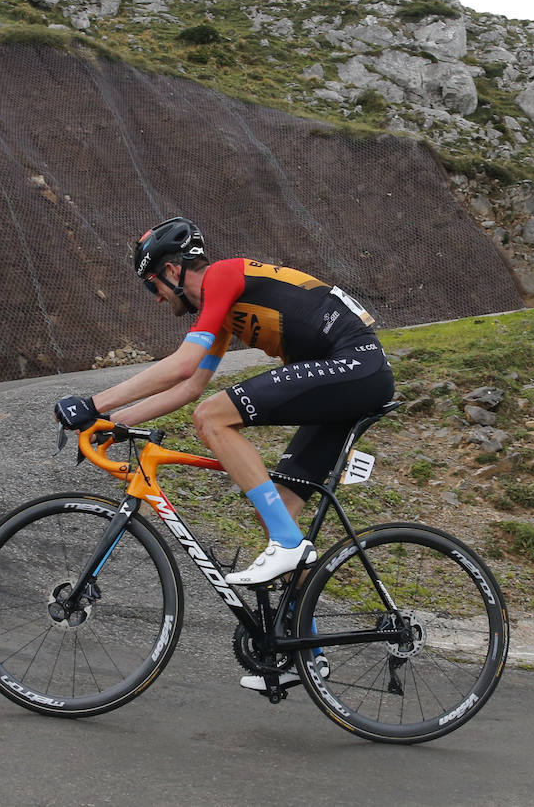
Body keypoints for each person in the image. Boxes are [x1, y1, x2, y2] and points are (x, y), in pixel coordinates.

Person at [53, 217, 394, 689]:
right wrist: (116, 423)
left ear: (172, 271)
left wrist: (92, 403)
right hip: (343, 376)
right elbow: (190, 385)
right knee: (274, 508)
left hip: (356, 365)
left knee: (214, 418)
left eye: (152, 286)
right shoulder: (221, 307)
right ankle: (306, 655)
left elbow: (184, 366)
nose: (155, 299)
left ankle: (289, 546)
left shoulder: (224, 277)